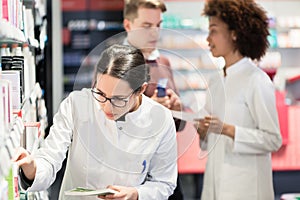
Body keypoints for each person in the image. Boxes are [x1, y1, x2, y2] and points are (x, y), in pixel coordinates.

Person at [13, 44, 178, 200]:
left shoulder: (160, 119)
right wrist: (32, 167)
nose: (106, 107)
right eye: (100, 93)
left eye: (118, 99)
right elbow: (50, 158)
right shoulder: (76, 105)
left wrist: (136, 194)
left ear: (140, 90)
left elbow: (164, 182)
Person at [194, 0, 283, 200]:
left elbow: (273, 139)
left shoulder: (257, 80)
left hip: (247, 189)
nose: (208, 39)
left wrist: (228, 130)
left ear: (234, 33)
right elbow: (209, 142)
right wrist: (203, 131)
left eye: (214, 31)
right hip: (214, 188)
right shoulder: (215, 81)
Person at [123, 1, 185, 199]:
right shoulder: (112, 64)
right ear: (128, 26)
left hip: (164, 173)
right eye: (147, 26)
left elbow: (178, 125)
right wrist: (147, 112)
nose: (154, 33)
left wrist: (176, 108)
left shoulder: (163, 63)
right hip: (128, 176)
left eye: (158, 25)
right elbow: (103, 120)